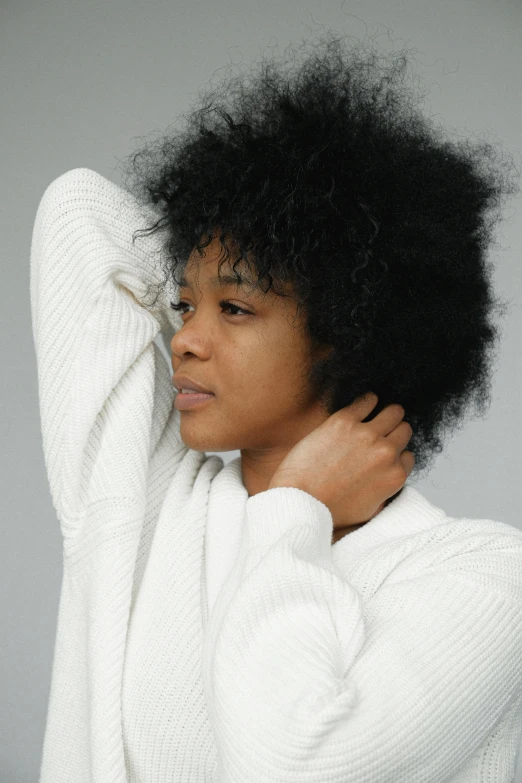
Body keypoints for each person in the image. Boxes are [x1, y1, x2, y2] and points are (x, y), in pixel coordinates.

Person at [32, 33, 522, 783]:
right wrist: (252, 232)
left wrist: (296, 507)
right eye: (182, 303)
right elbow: (79, 214)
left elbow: (295, 763)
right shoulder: (149, 497)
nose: (184, 339)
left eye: (234, 307)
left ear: (349, 334)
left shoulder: (481, 576)